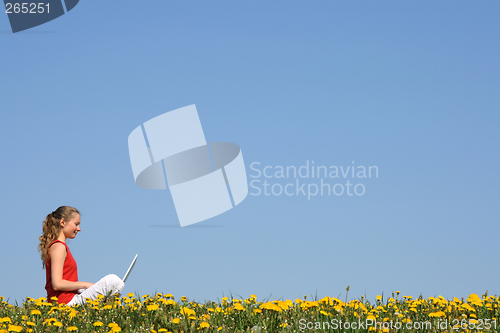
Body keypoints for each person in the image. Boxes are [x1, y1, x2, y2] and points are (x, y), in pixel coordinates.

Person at [38, 206, 124, 306]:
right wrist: (86, 285)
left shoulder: (60, 247)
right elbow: (57, 284)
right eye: (76, 224)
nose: (79, 229)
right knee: (112, 280)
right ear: (62, 222)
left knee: (112, 286)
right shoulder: (58, 247)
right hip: (65, 303)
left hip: (72, 298)